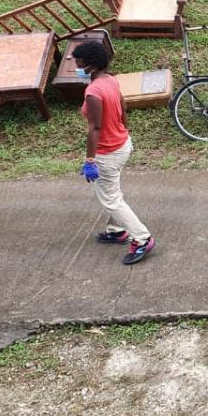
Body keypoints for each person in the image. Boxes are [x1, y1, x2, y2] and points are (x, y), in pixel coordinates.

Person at [73, 41, 155, 265]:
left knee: (111, 200)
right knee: (113, 192)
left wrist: (90, 160)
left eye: (79, 64)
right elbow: (122, 105)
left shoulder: (93, 92)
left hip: (107, 153)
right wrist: (124, 130)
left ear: (91, 65)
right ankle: (117, 230)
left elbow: (95, 128)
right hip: (122, 145)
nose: (77, 68)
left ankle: (142, 238)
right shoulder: (110, 79)